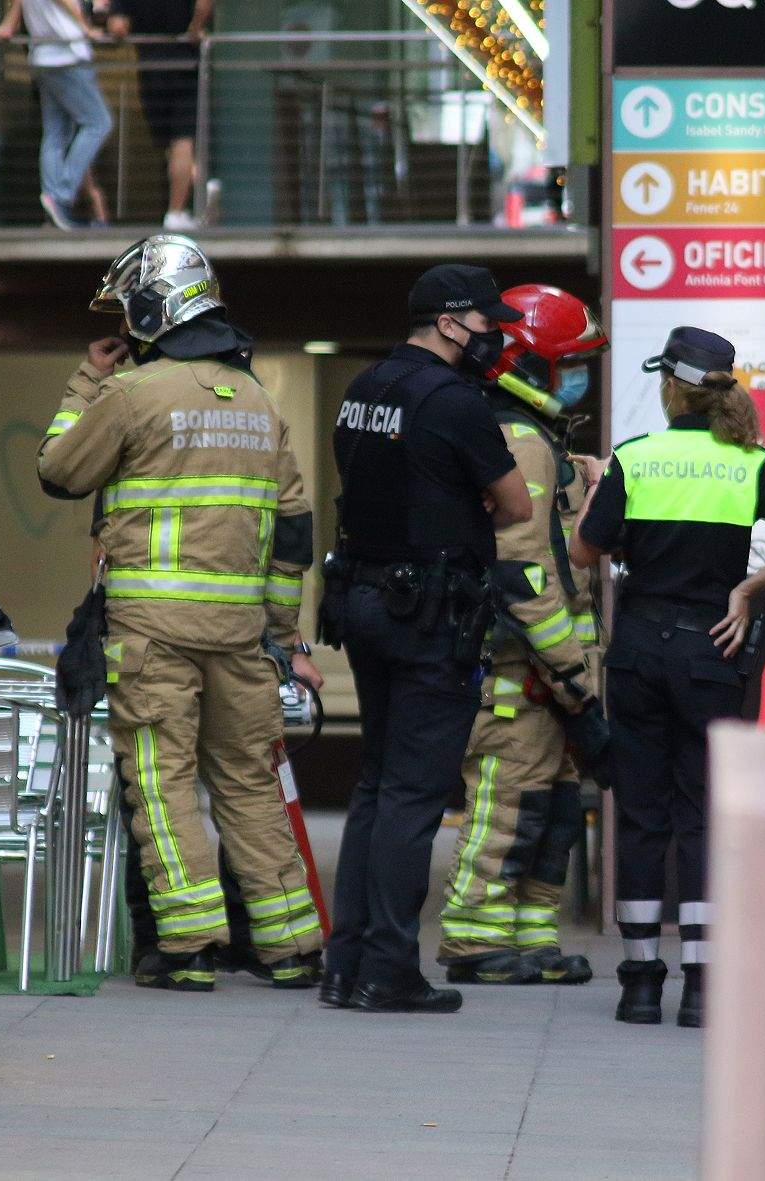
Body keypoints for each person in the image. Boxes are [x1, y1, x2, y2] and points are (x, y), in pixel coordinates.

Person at [37, 234, 327, 991]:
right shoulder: (259, 400)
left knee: (162, 784)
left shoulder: (132, 394)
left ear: (153, 306)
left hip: (153, 630)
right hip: (239, 635)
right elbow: (291, 526)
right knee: (249, 783)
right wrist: (281, 629)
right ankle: (291, 944)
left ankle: (190, 945)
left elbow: (60, 470)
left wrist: (83, 384)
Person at [571, 327, 765, 1028]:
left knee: (643, 813)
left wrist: (601, 490)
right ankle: (703, 986)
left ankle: (640, 982)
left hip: (640, 651)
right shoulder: (749, 461)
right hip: (711, 650)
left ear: (671, 386)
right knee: (702, 812)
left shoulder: (638, 458)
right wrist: (744, 591)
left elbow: (583, 547)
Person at [322, 264, 534, 1014]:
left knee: (376, 785)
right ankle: (389, 969)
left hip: (364, 600)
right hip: (429, 615)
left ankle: (345, 965)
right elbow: (513, 506)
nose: (495, 337)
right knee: (413, 795)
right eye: (486, 323)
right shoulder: (454, 402)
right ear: (448, 323)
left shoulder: (365, 388)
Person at [434, 283, 609, 987]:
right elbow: (524, 574)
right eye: (569, 364)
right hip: (521, 673)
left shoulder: (537, 441)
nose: (580, 378)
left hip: (545, 676)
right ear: (526, 365)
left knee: (552, 809)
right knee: (507, 806)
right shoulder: (519, 442)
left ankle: (528, 937)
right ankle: (474, 936)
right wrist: (577, 679)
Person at [0, 0, 114, 231]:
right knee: (99, 122)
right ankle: (61, 195)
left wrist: (9, 24)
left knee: (56, 132)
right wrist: (86, 28)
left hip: (44, 56)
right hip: (68, 53)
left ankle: (53, 201)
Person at [107, 0, 210, 230]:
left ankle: (192, 199)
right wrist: (195, 27)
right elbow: (204, 5)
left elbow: (117, 27)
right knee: (182, 141)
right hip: (185, 64)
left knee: (170, 147)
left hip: (150, 69)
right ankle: (177, 211)